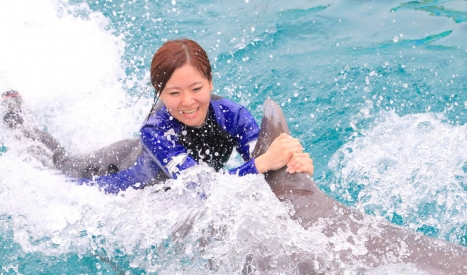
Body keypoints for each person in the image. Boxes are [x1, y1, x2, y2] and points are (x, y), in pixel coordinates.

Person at [1, 39, 313, 193]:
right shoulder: (155, 130)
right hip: (115, 180)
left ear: (211, 82)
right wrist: (261, 164)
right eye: (174, 93)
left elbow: (269, 156)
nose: (188, 102)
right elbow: (200, 189)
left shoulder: (232, 115)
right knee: (60, 166)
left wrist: (295, 164)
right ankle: (14, 118)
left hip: (167, 185)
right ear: (159, 93)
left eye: (196, 88)